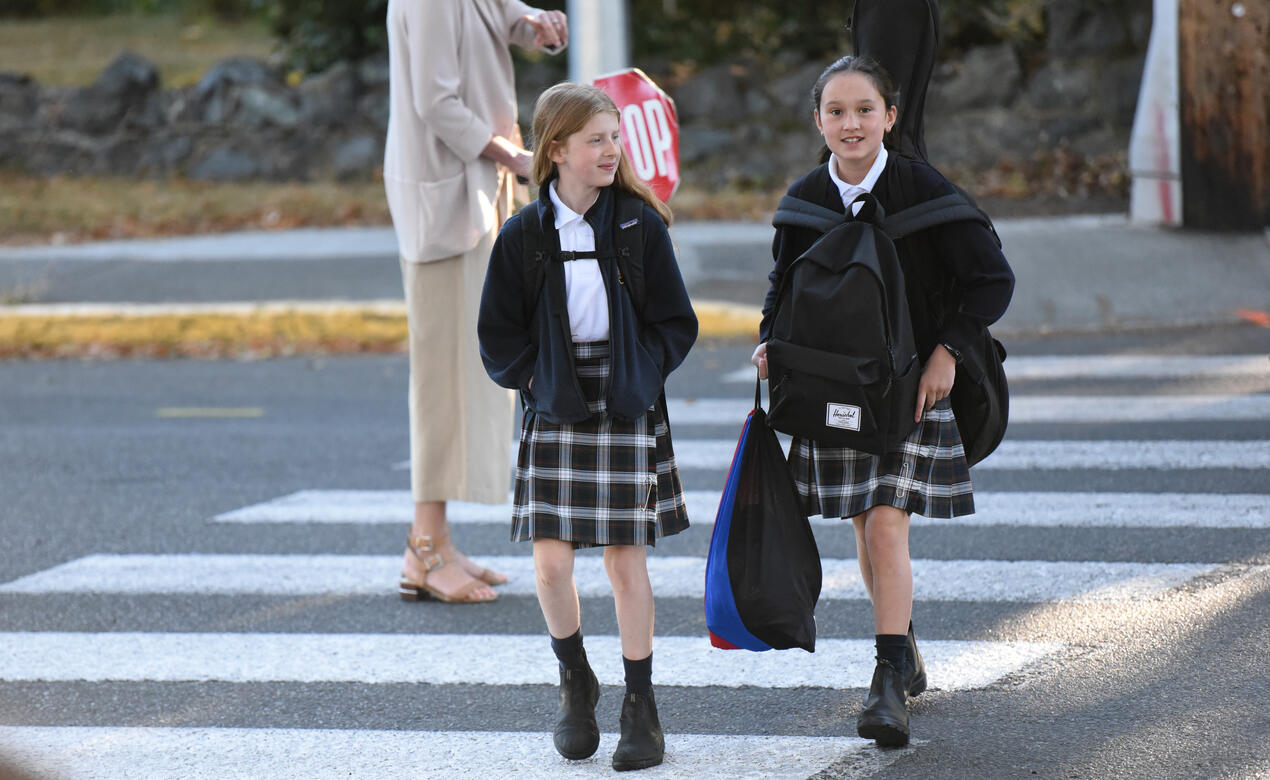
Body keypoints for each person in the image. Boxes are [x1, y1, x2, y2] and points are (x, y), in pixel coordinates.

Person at [752, 56, 1014, 747]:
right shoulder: (807, 197)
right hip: (831, 388)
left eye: (865, 109)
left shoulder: (923, 191)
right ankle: (903, 643)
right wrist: (768, 342)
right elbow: (783, 283)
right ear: (819, 121)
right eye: (836, 111)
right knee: (863, 528)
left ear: (891, 117)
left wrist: (948, 352)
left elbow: (992, 282)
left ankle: (888, 677)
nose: (851, 123)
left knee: (884, 527)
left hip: (910, 388)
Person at [477, 82, 698, 771]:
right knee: (549, 565)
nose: (611, 151)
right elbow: (497, 333)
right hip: (558, 400)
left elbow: (675, 321)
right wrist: (536, 380)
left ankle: (642, 704)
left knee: (625, 561)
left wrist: (645, 371)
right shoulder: (523, 235)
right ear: (556, 150)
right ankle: (576, 680)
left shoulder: (638, 223)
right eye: (596, 139)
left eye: (615, 138)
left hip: (626, 396)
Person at [384, 0, 568, 604]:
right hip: (446, 204)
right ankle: (425, 549)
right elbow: (435, 103)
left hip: (477, 194)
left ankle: (437, 541)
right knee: (440, 377)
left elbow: (498, 15)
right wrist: (515, 157)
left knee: (470, 368)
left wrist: (534, 24)